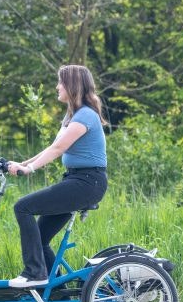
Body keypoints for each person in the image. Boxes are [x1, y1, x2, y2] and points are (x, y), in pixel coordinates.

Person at [7, 64, 108, 288]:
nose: (57, 87)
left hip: (86, 183)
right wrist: (22, 164)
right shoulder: (72, 115)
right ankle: (60, 299)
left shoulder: (86, 116)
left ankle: (35, 273)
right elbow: (52, 147)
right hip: (77, 180)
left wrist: (30, 170)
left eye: (60, 82)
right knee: (41, 239)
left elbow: (58, 149)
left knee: (22, 207)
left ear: (72, 86)